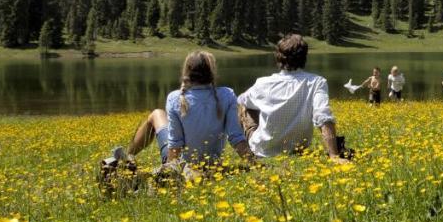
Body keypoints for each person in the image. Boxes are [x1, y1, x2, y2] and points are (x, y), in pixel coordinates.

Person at [100, 51, 253, 184]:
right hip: (211, 163)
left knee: (156, 114)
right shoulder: (227, 94)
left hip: (181, 163)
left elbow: (175, 144)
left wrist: (172, 168)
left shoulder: (175, 98)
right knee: (159, 115)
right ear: (211, 72)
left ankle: (128, 157)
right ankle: (127, 158)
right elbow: (236, 137)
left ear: (187, 72)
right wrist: (254, 164)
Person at [236, 34, 350, 162]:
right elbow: (323, 117)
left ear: (278, 57)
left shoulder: (263, 83)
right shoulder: (317, 82)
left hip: (264, 151)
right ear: (304, 57)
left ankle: (247, 153)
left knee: (244, 105)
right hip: (299, 149)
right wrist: (333, 155)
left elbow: (240, 100)